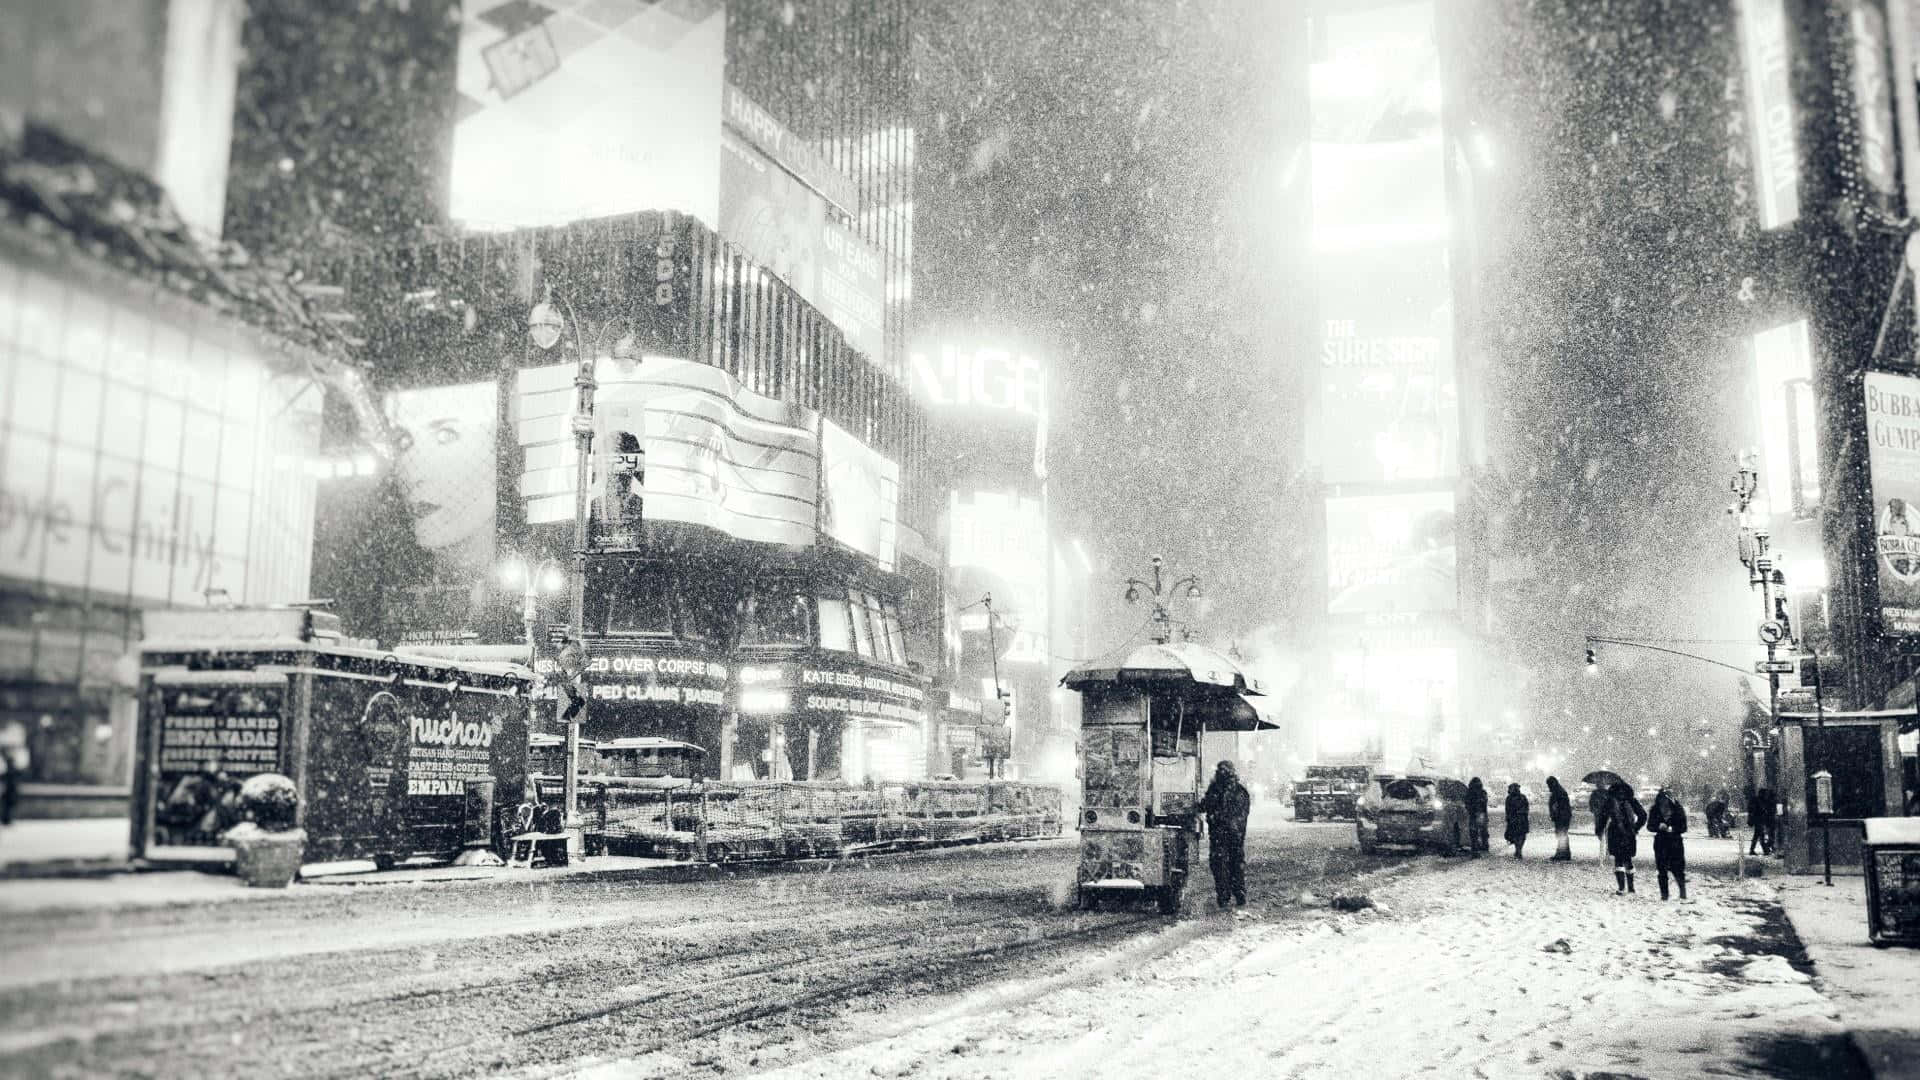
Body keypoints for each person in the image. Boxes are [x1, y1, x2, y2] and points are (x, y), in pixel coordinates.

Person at [1197, 760, 1251, 909]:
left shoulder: (1221, 790)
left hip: (1224, 836)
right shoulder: (1238, 791)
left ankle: (1228, 895)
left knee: (1224, 865)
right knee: (1231, 865)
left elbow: (1208, 806)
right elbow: (1206, 805)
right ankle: (1234, 894)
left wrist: (1216, 817)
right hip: (1230, 836)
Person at [1602, 781, 1648, 894]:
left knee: (1619, 859)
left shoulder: (1610, 801)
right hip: (1629, 833)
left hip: (1615, 833)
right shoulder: (1631, 801)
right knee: (1627, 859)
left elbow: (1603, 816)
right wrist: (1636, 828)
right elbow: (1643, 815)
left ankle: (1622, 888)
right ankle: (1631, 888)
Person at [1647, 788, 1688, 900]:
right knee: (1662, 869)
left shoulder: (1678, 810)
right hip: (1661, 842)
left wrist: (1672, 828)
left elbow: (1683, 827)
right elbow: (1649, 826)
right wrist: (1658, 826)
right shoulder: (1654, 810)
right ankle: (1664, 895)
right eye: (1662, 800)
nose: (1664, 803)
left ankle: (1682, 892)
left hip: (1675, 842)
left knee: (1678, 869)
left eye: (1666, 800)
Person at [1546, 776, 1573, 860]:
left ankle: (1561, 853)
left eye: (1549, 784)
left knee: (1561, 834)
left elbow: (1557, 805)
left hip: (1561, 816)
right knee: (1563, 834)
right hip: (1564, 816)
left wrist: (1554, 814)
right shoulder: (1559, 791)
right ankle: (1565, 853)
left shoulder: (1558, 792)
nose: (1548, 787)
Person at [1746, 786, 1776, 856]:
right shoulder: (1759, 800)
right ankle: (1765, 850)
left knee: (1757, 835)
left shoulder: (1759, 800)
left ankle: (1754, 849)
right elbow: (1757, 811)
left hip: (1758, 821)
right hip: (1758, 821)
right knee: (1760, 835)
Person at [1504, 783, 1530, 859]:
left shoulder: (1509, 798)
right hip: (1521, 819)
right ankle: (1519, 850)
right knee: (1521, 836)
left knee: (1516, 835)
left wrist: (1508, 818)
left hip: (1514, 819)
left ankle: (1518, 850)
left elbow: (1507, 810)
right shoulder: (1523, 797)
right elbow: (1527, 808)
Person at [1465, 777, 1490, 855]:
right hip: (1481, 813)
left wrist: (1471, 810)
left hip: (1473, 814)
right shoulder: (1482, 792)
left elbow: (1467, 803)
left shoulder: (1469, 793)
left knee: (1474, 832)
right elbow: (1484, 803)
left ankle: (1475, 848)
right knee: (1483, 831)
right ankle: (1484, 846)